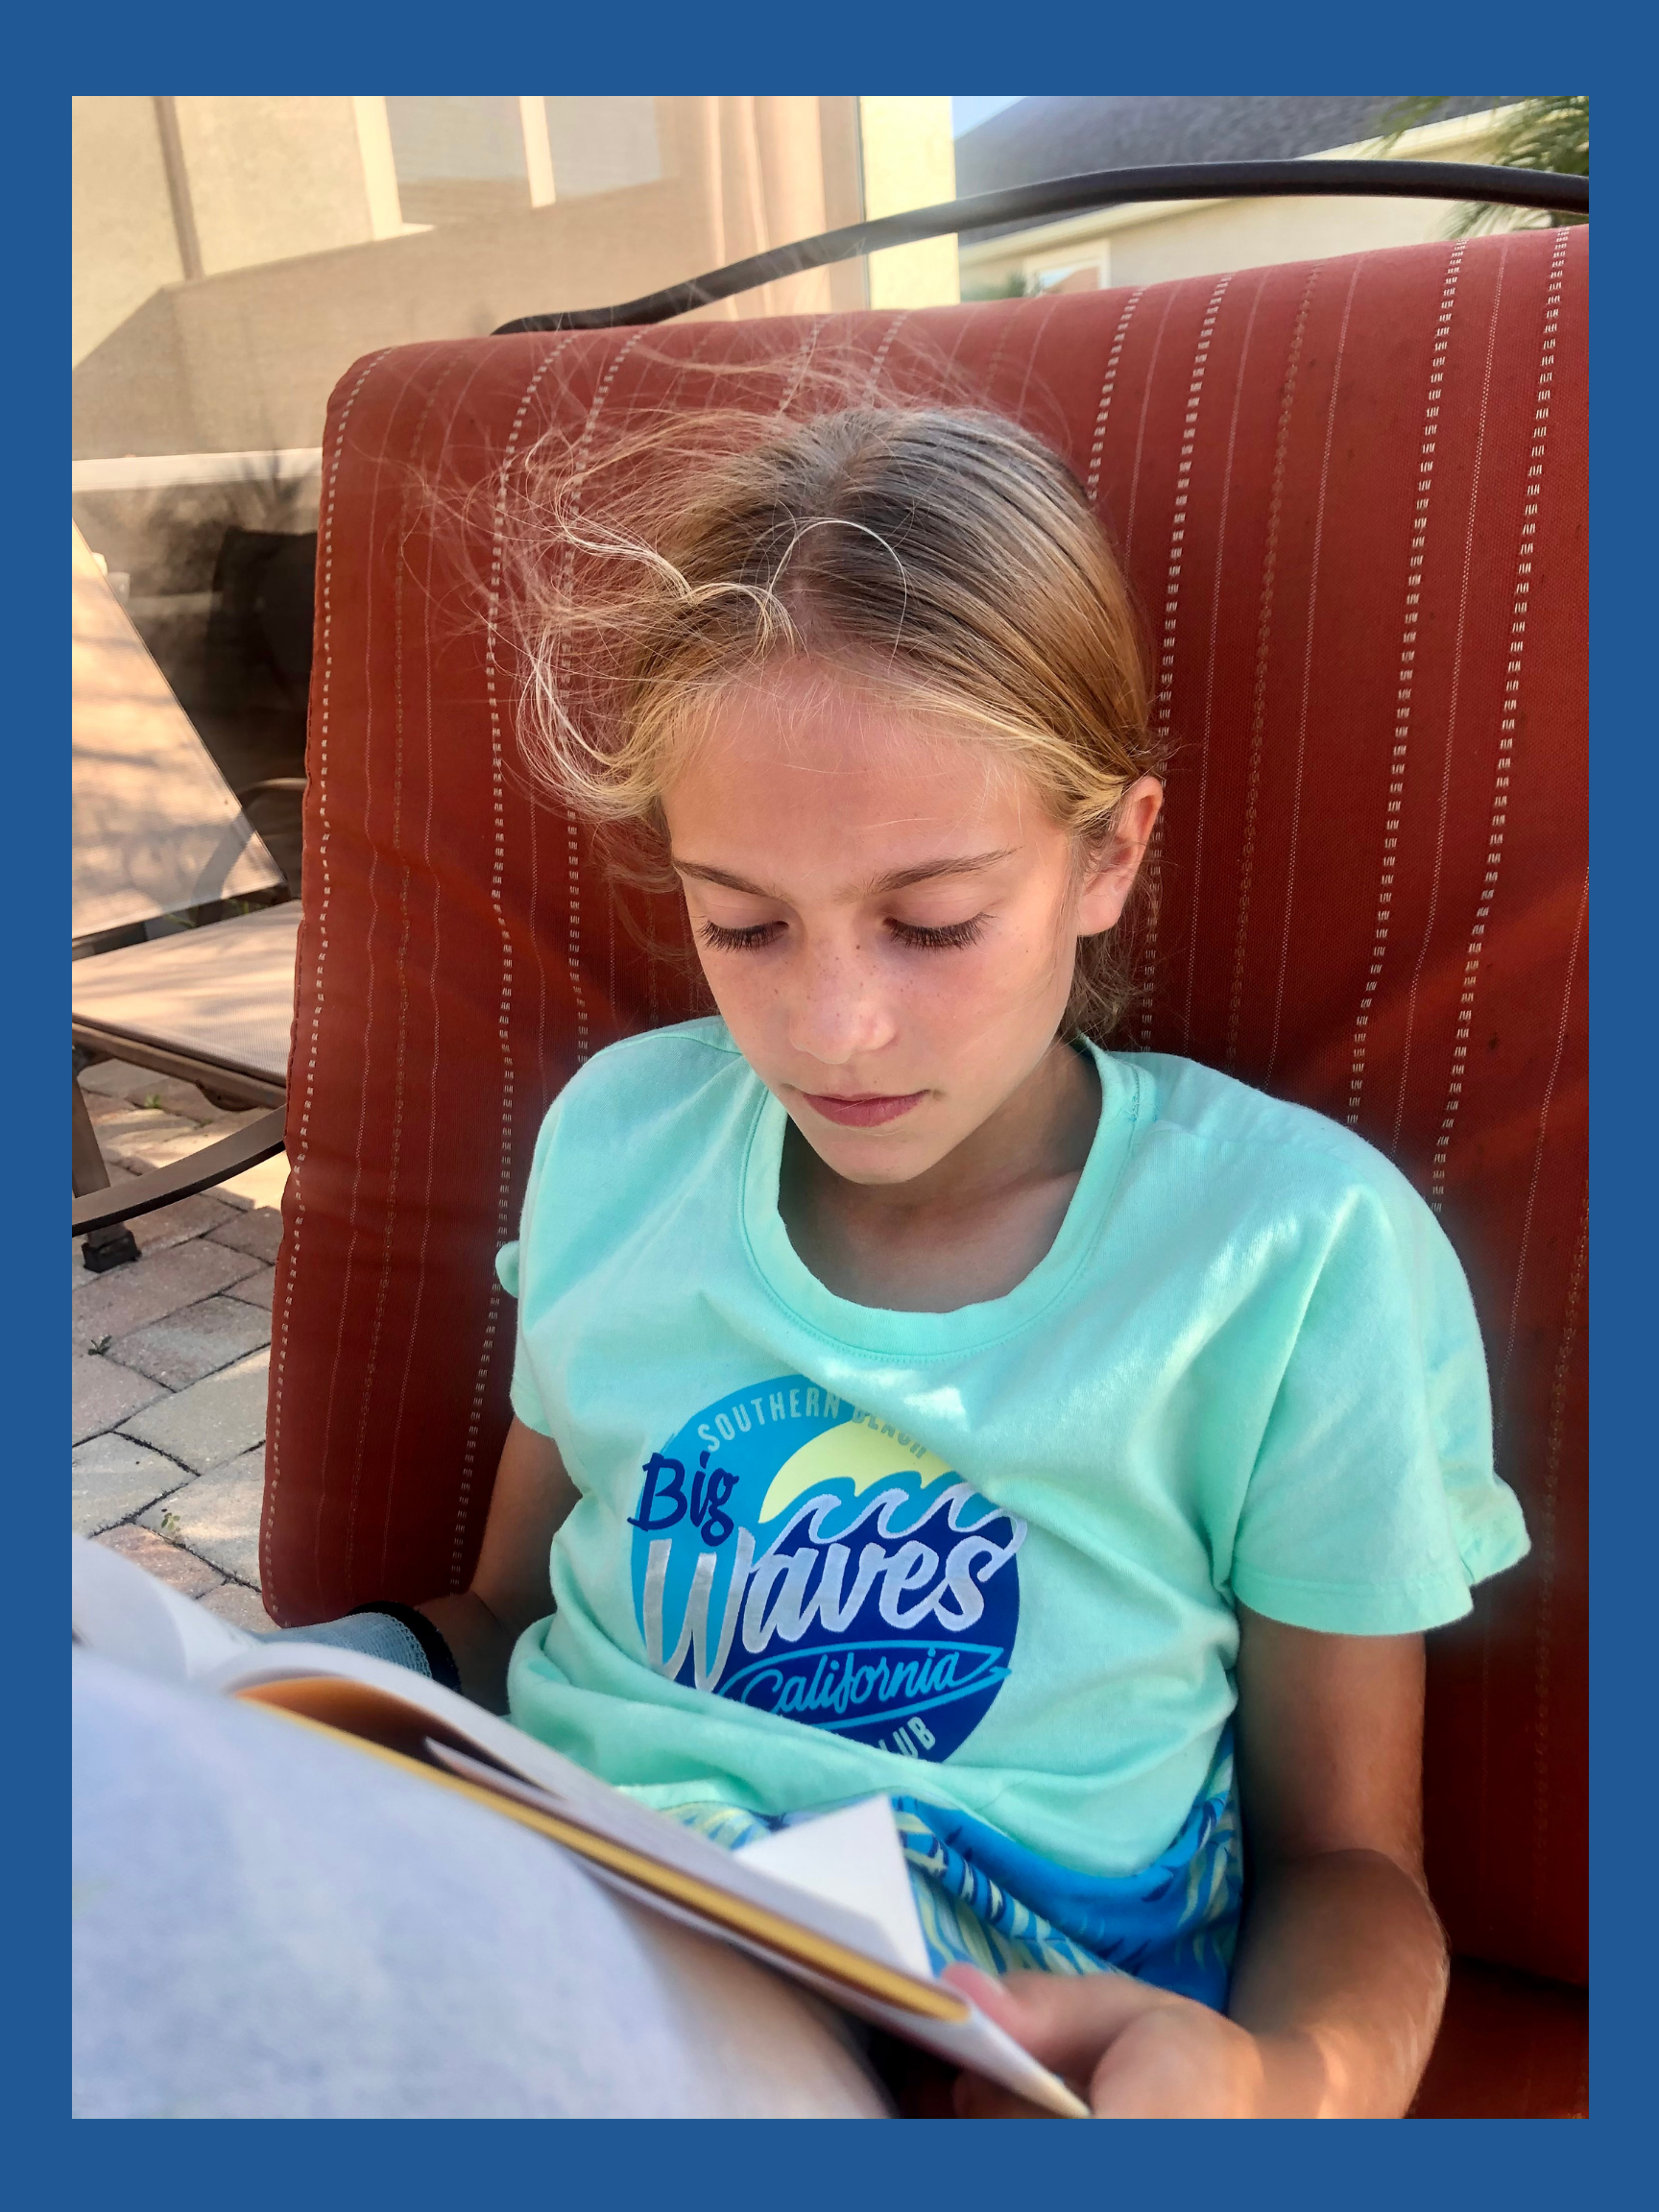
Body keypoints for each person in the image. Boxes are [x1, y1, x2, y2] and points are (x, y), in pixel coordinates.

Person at [267, 403, 1529, 2117]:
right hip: (551, 1898)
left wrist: (1283, 2089)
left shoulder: (1287, 1253)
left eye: (933, 924)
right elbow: (506, 1619)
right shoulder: (624, 1144)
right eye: (743, 922)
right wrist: (294, 1694)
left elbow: (1353, 1866)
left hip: (981, 2022)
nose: (832, 1025)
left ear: (1110, 851)